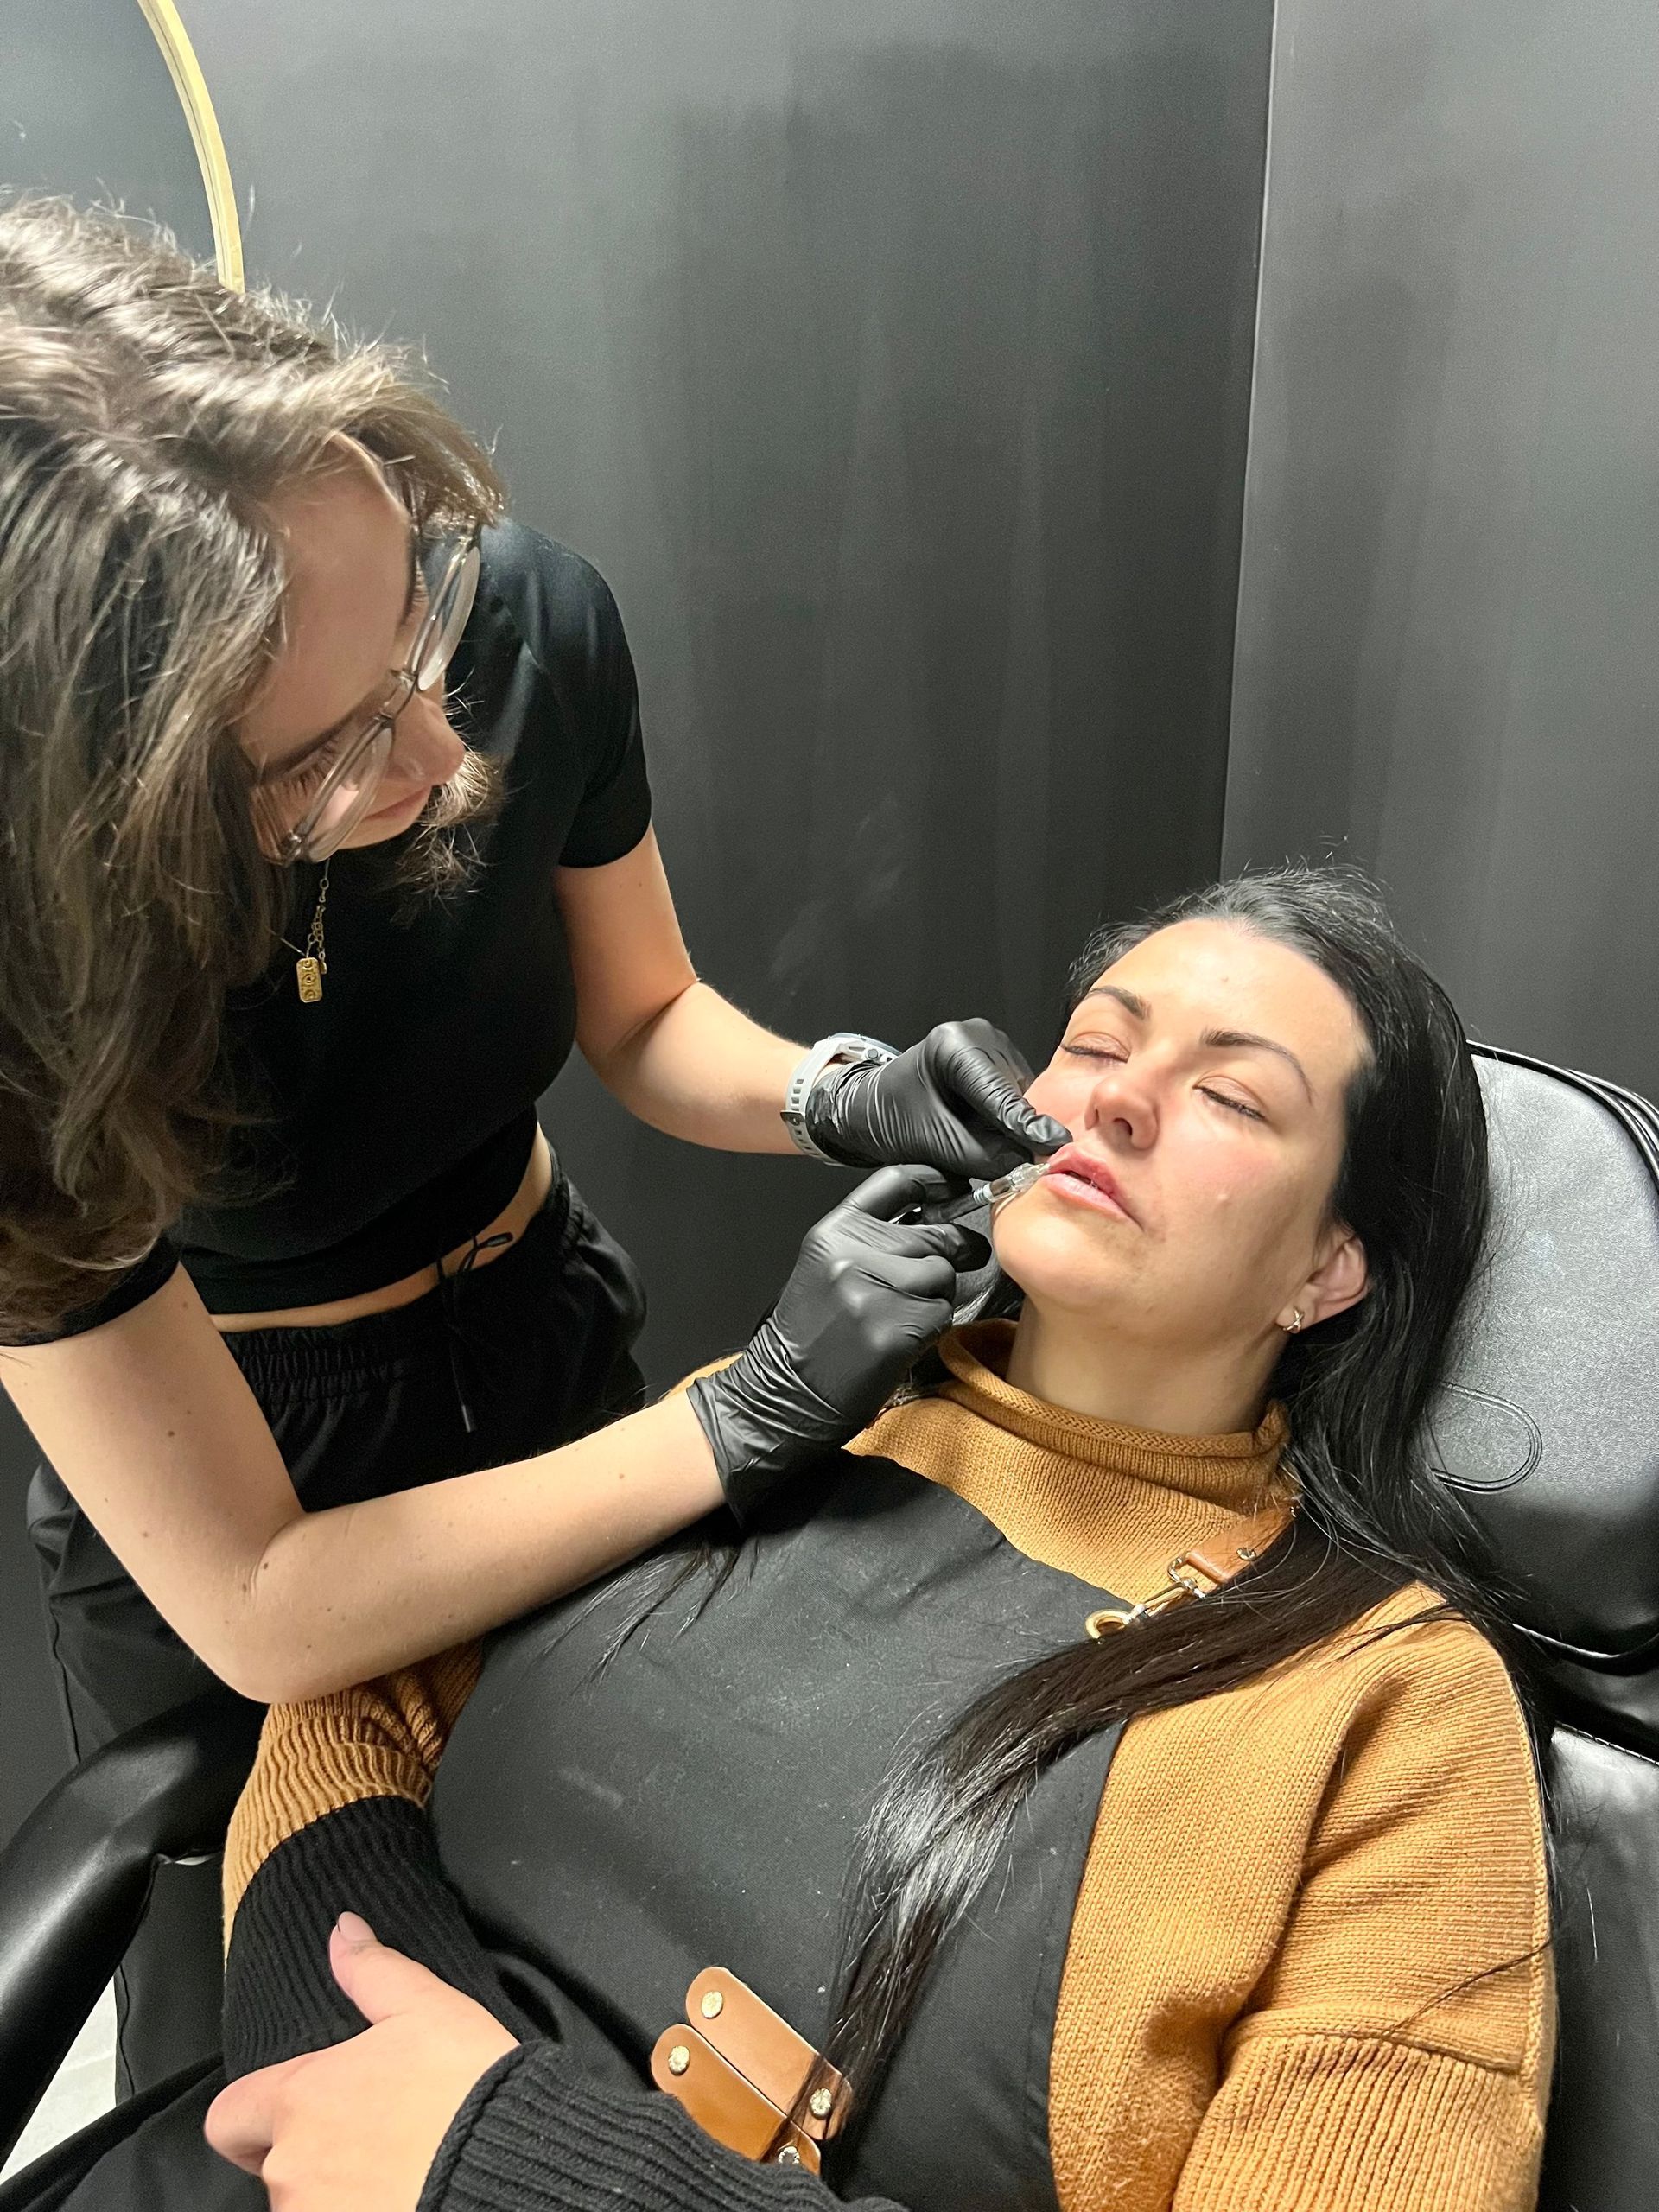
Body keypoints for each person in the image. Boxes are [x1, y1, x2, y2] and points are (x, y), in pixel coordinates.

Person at [26, 866, 1548, 2212]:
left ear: (1331, 1268)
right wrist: (356, 2082)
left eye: (1233, 1094)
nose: (1119, 1096)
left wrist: (493, 2158)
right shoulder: (792, 1410)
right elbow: (348, 1706)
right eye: (1096, 1041)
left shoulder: (1392, 1713)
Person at [0, 194, 1065, 2094]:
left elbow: (646, 1020)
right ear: (109, 819)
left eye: (420, 625)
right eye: (330, 759)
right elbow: (259, 1599)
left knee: (582, 1925)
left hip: (546, 1349)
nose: (442, 760)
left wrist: (839, 1087)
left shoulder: (524, 622)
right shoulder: (22, 1007)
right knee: (269, 2060)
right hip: (261, 1480)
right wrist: (736, 1422)